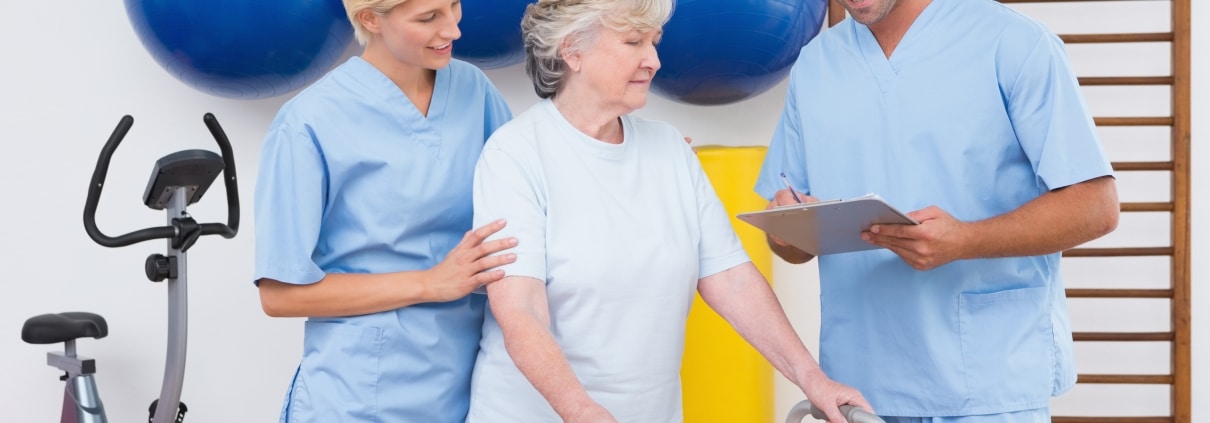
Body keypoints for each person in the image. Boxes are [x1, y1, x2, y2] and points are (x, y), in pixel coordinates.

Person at [465, 1, 872, 422]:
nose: (654, 60)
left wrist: (813, 379)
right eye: (633, 42)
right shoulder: (515, 155)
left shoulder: (670, 151)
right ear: (572, 51)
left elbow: (732, 281)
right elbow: (521, 311)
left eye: (655, 42)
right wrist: (580, 409)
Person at [755, 0, 1120, 421]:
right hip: (859, 389)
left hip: (987, 381)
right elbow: (791, 240)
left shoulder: (1015, 43)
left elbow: (1096, 206)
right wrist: (787, 231)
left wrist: (966, 240)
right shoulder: (815, 66)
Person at [251, 0, 518, 421]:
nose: (453, 30)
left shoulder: (474, 91)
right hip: (360, 396)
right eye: (428, 17)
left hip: (472, 388)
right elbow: (278, 294)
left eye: (454, 6)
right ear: (371, 19)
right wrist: (429, 283)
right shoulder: (309, 121)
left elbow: (523, 215)